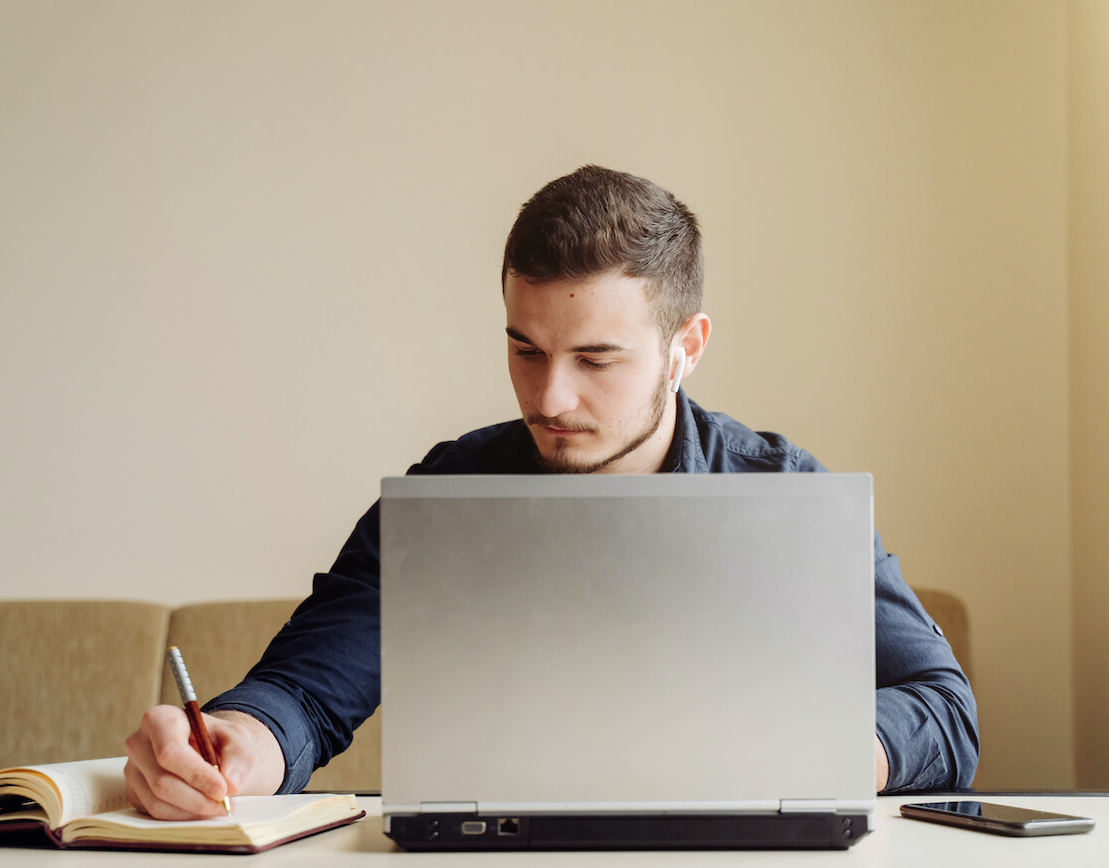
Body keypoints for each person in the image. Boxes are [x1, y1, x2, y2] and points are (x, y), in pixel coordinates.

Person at [124, 165, 980, 819]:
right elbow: (307, 692)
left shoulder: (785, 492)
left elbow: (944, 712)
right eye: (526, 350)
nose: (549, 397)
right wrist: (243, 743)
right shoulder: (450, 493)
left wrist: (826, 753)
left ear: (688, 345)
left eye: (596, 359)